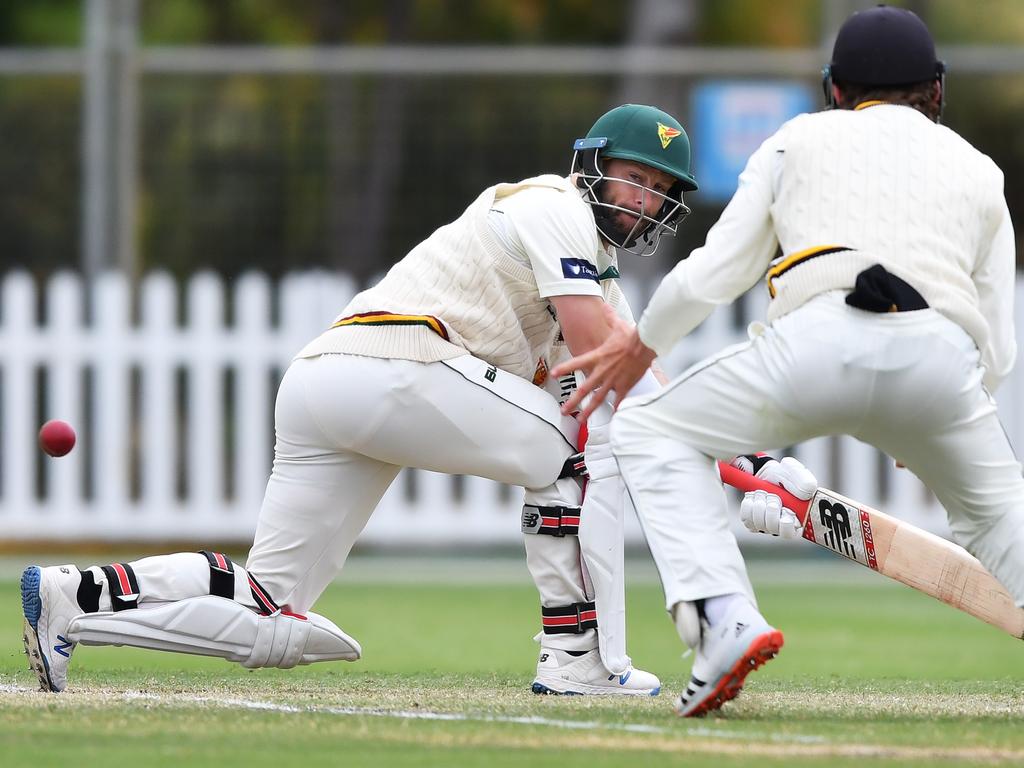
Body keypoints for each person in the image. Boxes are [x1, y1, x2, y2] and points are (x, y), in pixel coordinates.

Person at [21, 103, 699, 697]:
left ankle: (75, 599)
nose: (644, 200)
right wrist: (724, 458)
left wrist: (736, 459)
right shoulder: (556, 205)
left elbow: (636, 382)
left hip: (324, 382)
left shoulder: (596, 278)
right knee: (566, 458)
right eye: (635, 179)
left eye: (660, 190)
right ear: (592, 165)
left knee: (269, 609)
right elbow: (599, 357)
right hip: (396, 364)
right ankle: (577, 660)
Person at [553, 5, 1021, 718]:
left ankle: (722, 620)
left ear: (835, 87)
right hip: (941, 359)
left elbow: (717, 269)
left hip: (816, 341)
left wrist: (642, 341)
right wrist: (936, 424)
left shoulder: (798, 138)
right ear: (936, 89)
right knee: (1000, 522)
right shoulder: (979, 169)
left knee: (651, 427)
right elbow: (998, 340)